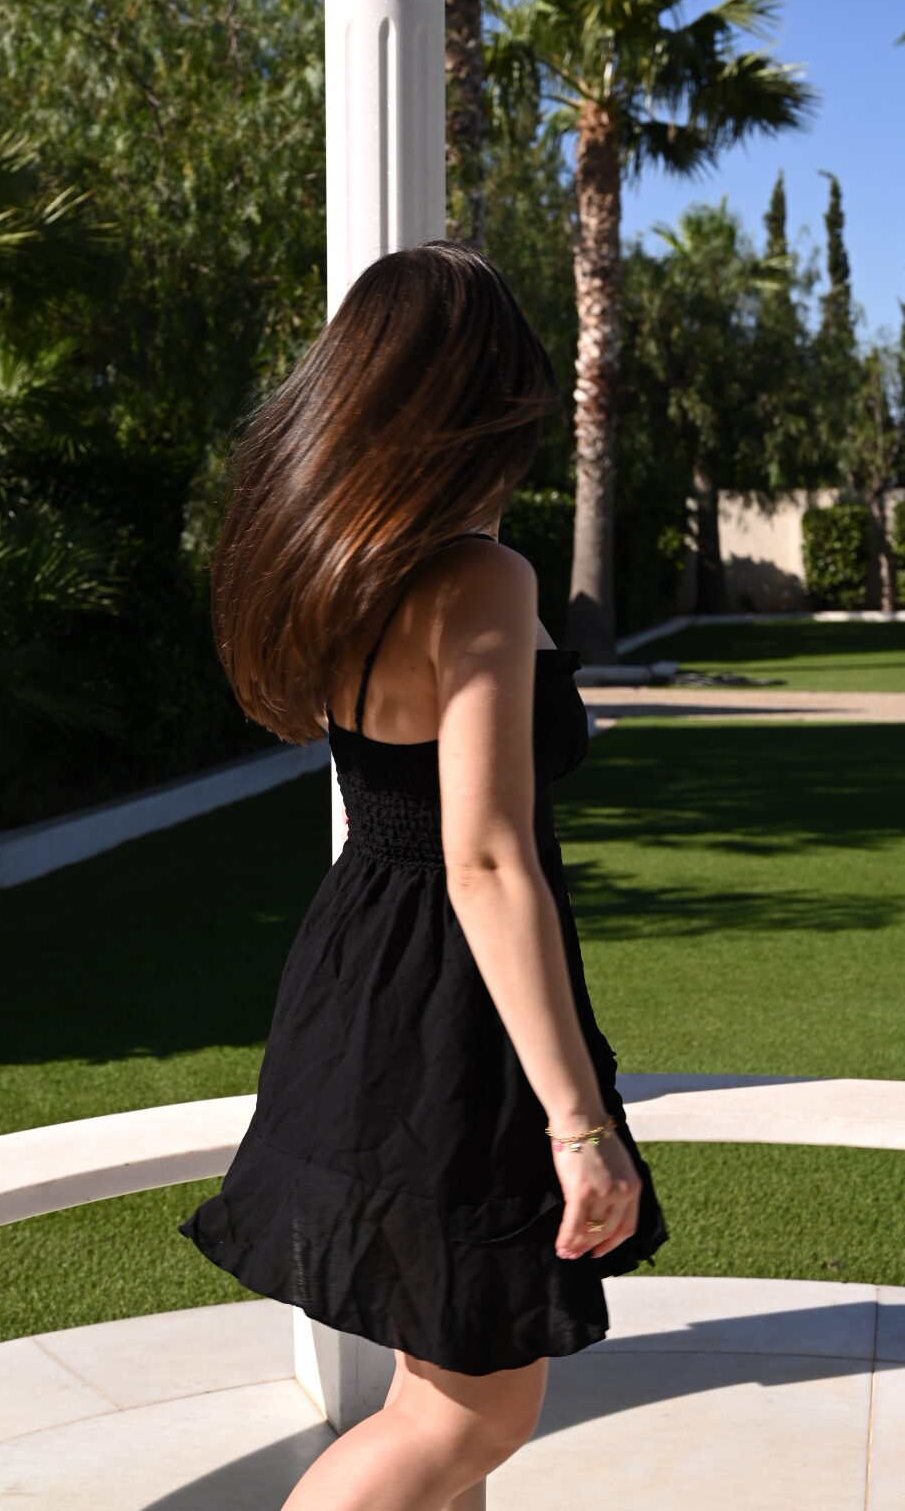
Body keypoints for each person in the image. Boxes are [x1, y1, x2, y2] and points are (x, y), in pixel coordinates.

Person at [179, 239, 668, 1510]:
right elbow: (488, 857)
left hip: (363, 975)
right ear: (479, 402)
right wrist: (580, 1126)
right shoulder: (479, 582)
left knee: (430, 1377)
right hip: (450, 1008)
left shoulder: (345, 568)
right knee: (469, 1414)